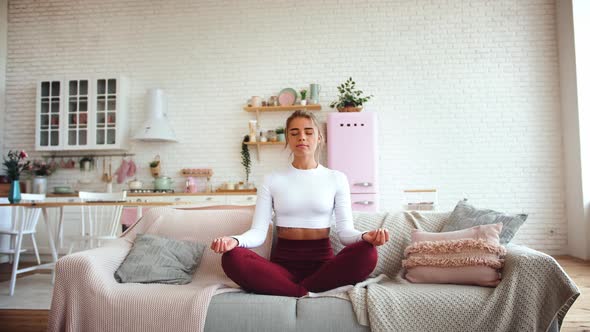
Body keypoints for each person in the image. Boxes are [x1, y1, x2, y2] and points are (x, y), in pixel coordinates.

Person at [210, 110, 390, 297]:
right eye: (294, 133)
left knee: (368, 253)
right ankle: (305, 290)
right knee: (231, 257)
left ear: (319, 137)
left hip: (324, 268)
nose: (301, 137)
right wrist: (235, 240)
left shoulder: (336, 178)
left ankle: (292, 290)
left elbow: (345, 233)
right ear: (287, 139)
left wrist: (364, 236)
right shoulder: (272, 179)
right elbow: (258, 233)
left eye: (308, 132)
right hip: (282, 268)